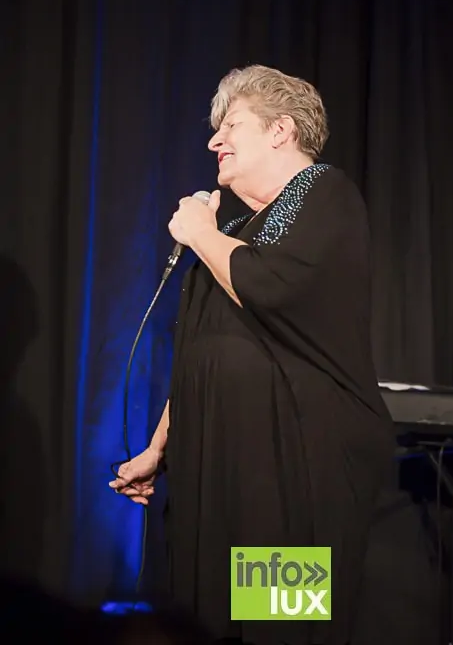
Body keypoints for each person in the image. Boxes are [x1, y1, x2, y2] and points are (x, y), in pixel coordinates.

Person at [109, 65, 396, 645]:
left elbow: (270, 287)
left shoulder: (322, 193)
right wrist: (158, 447)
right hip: (214, 468)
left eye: (231, 125)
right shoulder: (236, 226)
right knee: (208, 623)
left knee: (275, 626)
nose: (214, 142)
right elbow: (203, 349)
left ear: (280, 130)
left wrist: (199, 232)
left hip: (287, 467)